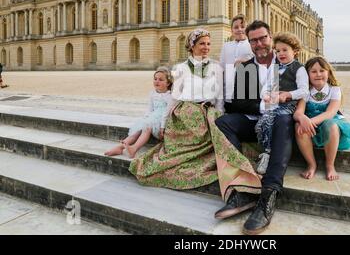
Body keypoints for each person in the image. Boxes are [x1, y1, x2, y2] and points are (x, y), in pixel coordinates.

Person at [129, 28, 261, 208]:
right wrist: (163, 122)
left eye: (208, 44)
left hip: (208, 111)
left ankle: (239, 177)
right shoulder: (181, 68)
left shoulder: (216, 67)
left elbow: (220, 97)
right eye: (201, 44)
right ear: (192, 46)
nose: (206, 47)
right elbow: (174, 97)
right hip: (185, 112)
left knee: (218, 129)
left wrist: (220, 113)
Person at [215, 21, 298, 235]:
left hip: (281, 123)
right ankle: (244, 188)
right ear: (249, 42)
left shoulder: (288, 63)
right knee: (223, 122)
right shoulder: (246, 66)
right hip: (255, 120)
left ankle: (268, 194)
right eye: (254, 40)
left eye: (263, 38)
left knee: (282, 119)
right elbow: (237, 103)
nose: (259, 43)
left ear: (271, 37)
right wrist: (263, 105)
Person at [295, 57, 350, 182]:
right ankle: (311, 164)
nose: (318, 74)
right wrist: (302, 118)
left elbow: (330, 112)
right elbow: (298, 112)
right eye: (313, 71)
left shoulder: (334, 89)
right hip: (311, 123)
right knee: (299, 126)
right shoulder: (305, 91)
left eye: (322, 70)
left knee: (332, 126)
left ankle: (330, 165)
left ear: (328, 72)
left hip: (328, 121)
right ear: (307, 75)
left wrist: (310, 122)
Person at [255, 33, 309, 175]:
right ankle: (266, 150)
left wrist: (289, 94)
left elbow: (304, 91)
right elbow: (266, 85)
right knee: (262, 124)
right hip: (274, 103)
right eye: (278, 51)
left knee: (273, 120)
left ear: (295, 51)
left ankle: (268, 153)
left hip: (290, 105)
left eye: (285, 50)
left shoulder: (299, 68)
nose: (281, 53)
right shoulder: (274, 67)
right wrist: (265, 95)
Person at [104, 67, 175, 158]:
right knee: (140, 127)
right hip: (152, 118)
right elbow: (149, 110)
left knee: (147, 127)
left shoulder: (169, 96)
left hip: (161, 122)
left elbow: (166, 114)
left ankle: (134, 149)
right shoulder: (152, 94)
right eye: (155, 79)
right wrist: (145, 120)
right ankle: (120, 147)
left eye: (161, 80)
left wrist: (162, 127)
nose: (157, 81)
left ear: (168, 83)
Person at [220, 14, 254, 113]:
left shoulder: (251, 45)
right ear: (231, 30)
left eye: (242, 27)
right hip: (228, 92)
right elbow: (222, 67)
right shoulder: (226, 46)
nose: (239, 29)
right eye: (236, 27)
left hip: (245, 93)